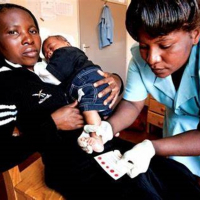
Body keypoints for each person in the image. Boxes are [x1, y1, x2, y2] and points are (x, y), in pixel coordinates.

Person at [0, 3, 200, 200]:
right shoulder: (6, 83)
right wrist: (53, 124)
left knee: (175, 175)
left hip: (103, 147)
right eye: (13, 32)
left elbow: (86, 80)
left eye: (33, 30)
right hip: (70, 163)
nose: (27, 39)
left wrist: (115, 80)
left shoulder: (49, 68)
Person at [105, 0, 200, 184]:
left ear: (194, 34)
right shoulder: (139, 61)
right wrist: (109, 127)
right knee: (182, 181)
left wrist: (151, 147)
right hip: (176, 133)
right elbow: (133, 103)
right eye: (143, 46)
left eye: (164, 45)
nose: (151, 58)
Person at [35, 35, 115, 153]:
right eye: (46, 53)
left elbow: (51, 77)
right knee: (97, 110)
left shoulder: (64, 52)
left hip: (87, 82)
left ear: (67, 43)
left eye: (51, 47)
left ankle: (95, 136)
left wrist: (37, 67)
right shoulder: (73, 57)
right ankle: (104, 131)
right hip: (94, 79)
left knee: (88, 109)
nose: (49, 53)